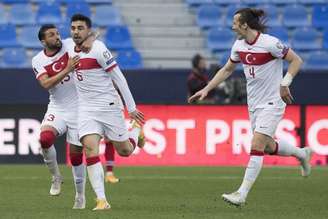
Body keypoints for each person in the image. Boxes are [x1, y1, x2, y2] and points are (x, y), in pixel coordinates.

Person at [188, 8, 313, 207]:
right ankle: (302, 154)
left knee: (256, 146)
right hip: (254, 104)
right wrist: (207, 89)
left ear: (245, 24)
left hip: (272, 102)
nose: (232, 26)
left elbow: (296, 60)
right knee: (268, 146)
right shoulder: (238, 46)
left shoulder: (270, 43)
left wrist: (285, 83)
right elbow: (227, 69)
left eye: (235, 22)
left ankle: (241, 194)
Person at [68, 14, 145, 210]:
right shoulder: (68, 47)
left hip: (109, 107)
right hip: (86, 109)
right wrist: (92, 35)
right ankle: (102, 200)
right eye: (73, 28)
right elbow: (52, 44)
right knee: (90, 150)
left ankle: (135, 129)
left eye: (80, 28)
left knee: (125, 150)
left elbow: (119, 79)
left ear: (87, 30)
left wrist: (132, 108)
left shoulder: (99, 50)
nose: (76, 31)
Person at [32, 24, 96, 209]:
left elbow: (92, 35)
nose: (57, 37)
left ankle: (80, 196)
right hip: (58, 107)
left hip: (80, 109)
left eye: (58, 33)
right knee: (45, 139)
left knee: (75, 155)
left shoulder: (70, 44)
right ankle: (56, 177)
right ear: (44, 41)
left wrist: (89, 39)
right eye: (52, 35)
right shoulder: (38, 60)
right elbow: (45, 84)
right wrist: (67, 69)